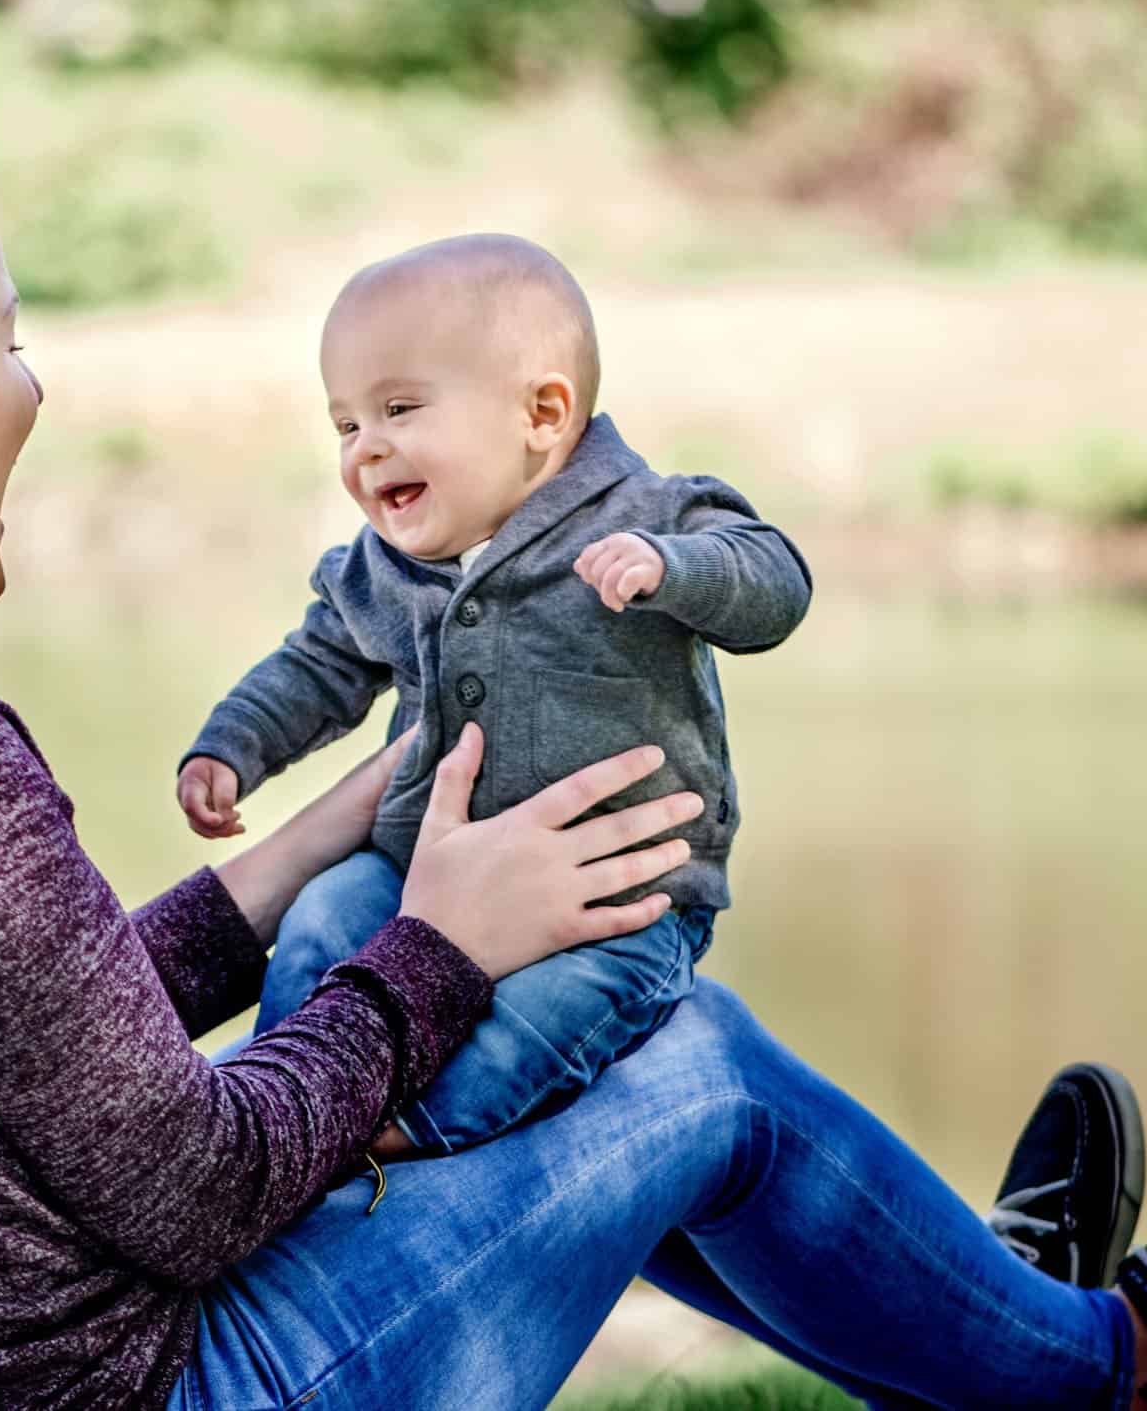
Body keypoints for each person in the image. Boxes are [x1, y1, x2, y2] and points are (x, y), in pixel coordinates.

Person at [0, 141, 1147, 1409]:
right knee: (688, 1063)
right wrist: (434, 946)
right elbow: (186, 1189)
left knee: (579, 1072)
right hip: (140, 1392)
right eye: (4, 332)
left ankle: (994, 1310)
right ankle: (1103, 1364)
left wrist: (305, 848)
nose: (32, 388)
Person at [176, 233, 811, 1159]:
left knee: (547, 1014)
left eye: (398, 408)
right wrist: (231, 743)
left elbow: (775, 581)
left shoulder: (650, 516)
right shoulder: (386, 567)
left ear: (543, 413)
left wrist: (673, 569)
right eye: (346, 426)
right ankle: (282, 1114)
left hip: (617, 898)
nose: (366, 449)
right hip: (413, 871)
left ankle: (402, 1136)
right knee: (319, 922)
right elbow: (316, 663)